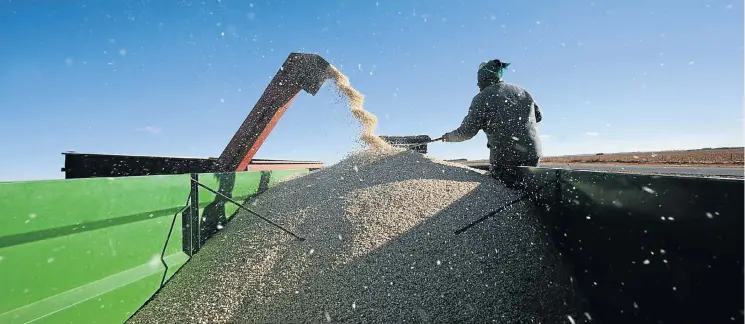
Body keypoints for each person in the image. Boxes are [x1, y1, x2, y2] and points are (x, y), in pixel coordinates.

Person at [440, 59, 543, 189]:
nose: (477, 84)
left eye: (479, 79)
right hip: (532, 153)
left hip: (505, 157)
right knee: (529, 192)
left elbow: (467, 132)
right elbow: (538, 116)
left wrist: (449, 137)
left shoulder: (482, 98)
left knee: (505, 193)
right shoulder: (522, 90)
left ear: (484, 77)